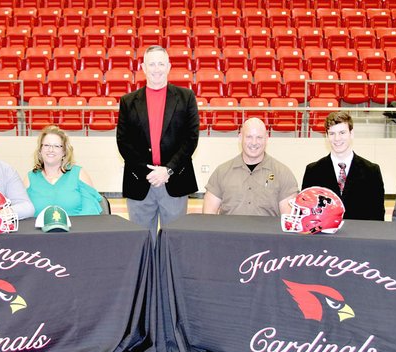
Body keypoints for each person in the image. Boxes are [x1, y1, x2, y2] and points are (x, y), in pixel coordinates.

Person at [116, 45, 200, 239]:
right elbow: (123, 142)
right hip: (140, 181)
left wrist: (167, 170)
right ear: (143, 68)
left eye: (161, 64)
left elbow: (191, 138)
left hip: (174, 180)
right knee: (142, 242)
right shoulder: (128, 101)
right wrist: (149, 173)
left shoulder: (186, 97)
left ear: (169, 67)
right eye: (151, 64)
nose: (156, 69)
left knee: (174, 242)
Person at [203, 118, 298, 215]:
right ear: (240, 138)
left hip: (267, 230)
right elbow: (208, 216)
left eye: (259, 137)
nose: (254, 142)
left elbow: (288, 221)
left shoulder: (283, 173)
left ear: (266, 138)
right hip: (230, 229)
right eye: (249, 137)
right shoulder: (221, 172)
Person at [301, 111, 385, 221]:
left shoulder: (372, 171)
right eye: (332, 134)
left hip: (360, 236)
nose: (337, 138)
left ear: (352, 133)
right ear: (326, 136)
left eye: (342, 132)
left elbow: (377, 215)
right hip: (324, 237)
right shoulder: (313, 171)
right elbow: (305, 212)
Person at [24, 125, 103, 216]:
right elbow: (23, 214)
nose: (51, 150)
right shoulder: (29, 178)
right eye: (46, 145)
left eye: (57, 146)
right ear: (40, 150)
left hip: (77, 229)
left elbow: (91, 212)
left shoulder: (79, 174)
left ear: (64, 151)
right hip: (38, 230)